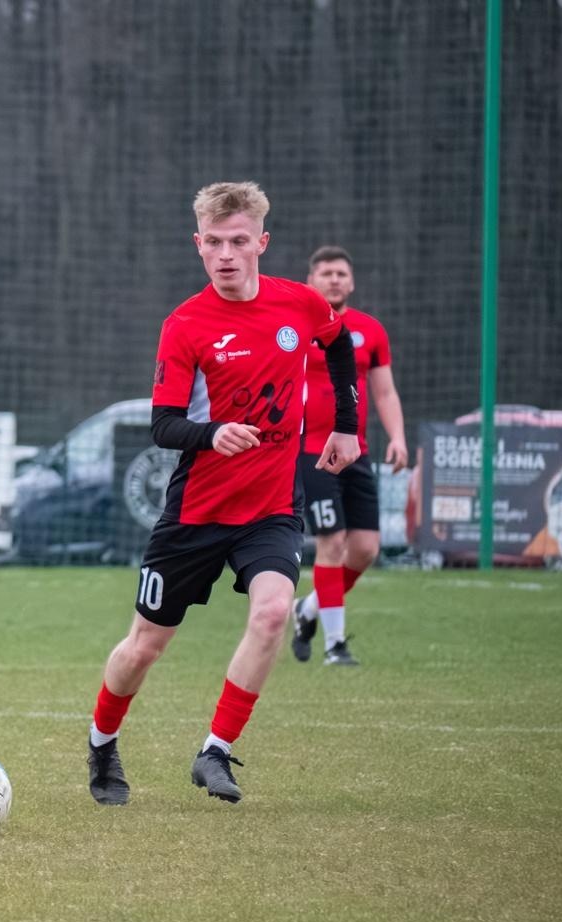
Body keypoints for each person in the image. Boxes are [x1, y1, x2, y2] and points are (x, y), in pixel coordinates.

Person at [81, 181, 360, 807]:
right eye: (214, 243)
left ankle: (215, 751)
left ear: (261, 242)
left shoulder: (300, 305)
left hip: (269, 509)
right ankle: (102, 741)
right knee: (142, 648)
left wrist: (345, 424)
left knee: (270, 612)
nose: (226, 254)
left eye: (239, 241)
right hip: (194, 513)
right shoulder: (185, 325)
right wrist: (213, 434)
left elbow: (338, 346)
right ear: (198, 245)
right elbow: (163, 424)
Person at [290, 246, 407, 666]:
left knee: (365, 550)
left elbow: (384, 391)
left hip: (355, 451)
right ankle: (335, 646)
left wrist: (398, 437)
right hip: (310, 452)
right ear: (311, 280)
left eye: (341, 273)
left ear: (352, 282)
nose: (334, 279)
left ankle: (308, 609)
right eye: (326, 273)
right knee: (332, 542)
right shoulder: (295, 327)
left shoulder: (370, 331)